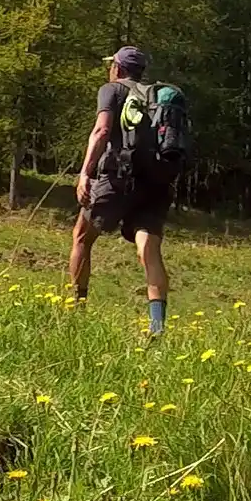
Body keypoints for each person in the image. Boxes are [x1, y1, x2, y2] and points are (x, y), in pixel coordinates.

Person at [69, 45, 173, 337]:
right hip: (155, 183)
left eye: (111, 65)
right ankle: (157, 327)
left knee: (81, 237)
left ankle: (76, 310)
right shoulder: (156, 97)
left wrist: (85, 173)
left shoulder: (111, 90)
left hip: (117, 178)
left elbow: (102, 131)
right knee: (148, 249)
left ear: (118, 68)